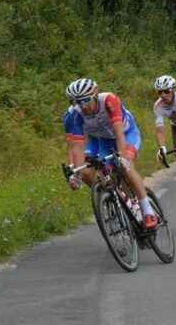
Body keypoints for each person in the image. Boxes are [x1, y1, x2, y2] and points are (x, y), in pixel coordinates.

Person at [63, 78, 158, 230]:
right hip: (102, 140)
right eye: (76, 102)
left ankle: (147, 210)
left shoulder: (108, 100)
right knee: (92, 172)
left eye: (86, 100)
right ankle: (113, 197)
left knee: (125, 167)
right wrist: (77, 174)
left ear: (95, 95)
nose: (82, 106)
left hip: (127, 135)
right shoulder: (72, 116)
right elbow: (76, 147)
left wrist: (123, 158)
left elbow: (119, 133)